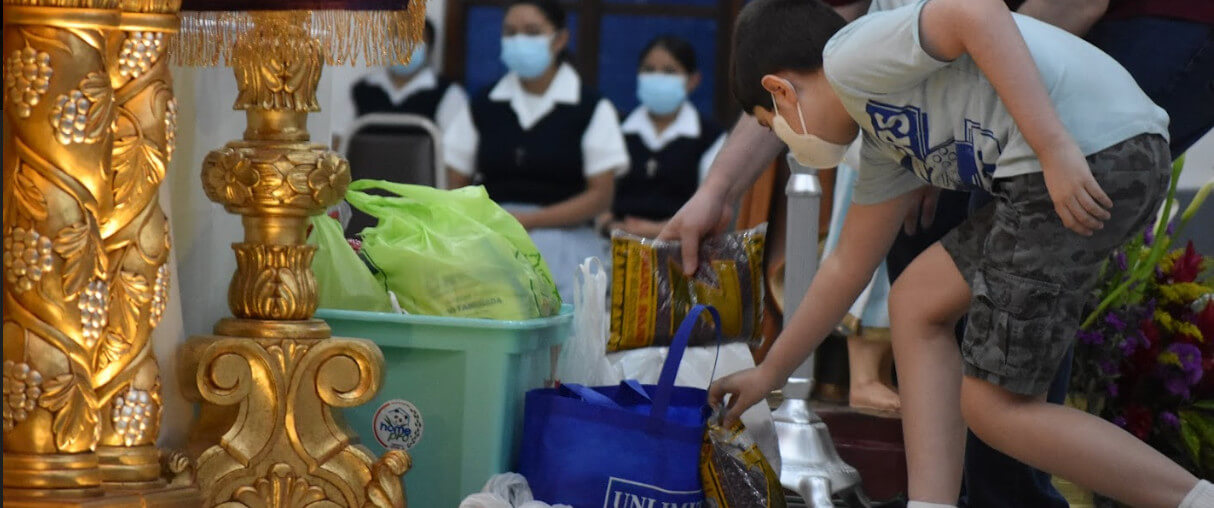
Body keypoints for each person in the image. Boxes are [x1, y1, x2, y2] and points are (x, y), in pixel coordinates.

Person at [676, 1, 1212, 507]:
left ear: (781, 91)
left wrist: (1053, 146)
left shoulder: (850, 57)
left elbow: (973, 10)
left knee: (993, 409)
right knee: (915, 298)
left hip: (1088, 154)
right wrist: (770, 372)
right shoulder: (881, 135)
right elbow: (846, 266)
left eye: (773, 127)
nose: (790, 143)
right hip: (1068, 166)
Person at [444, 0, 629, 301]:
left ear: (560, 39)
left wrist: (531, 221)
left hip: (567, 236)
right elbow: (456, 188)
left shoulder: (590, 107)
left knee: (556, 306)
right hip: (492, 235)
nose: (519, 41)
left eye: (531, 32)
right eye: (510, 32)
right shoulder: (483, 104)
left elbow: (601, 196)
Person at [599, 35, 725, 239]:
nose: (658, 78)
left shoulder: (711, 138)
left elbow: (713, 208)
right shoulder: (616, 128)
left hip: (681, 249)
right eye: (649, 70)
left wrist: (651, 231)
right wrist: (610, 225)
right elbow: (596, 195)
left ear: (693, 80)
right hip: (613, 246)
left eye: (670, 71)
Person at [334, 18, 468, 148]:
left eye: (413, 39)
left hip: (421, 170)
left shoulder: (449, 94)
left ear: (429, 48)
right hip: (362, 169)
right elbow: (338, 140)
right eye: (397, 37)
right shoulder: (361, 89)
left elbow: (454, 158)